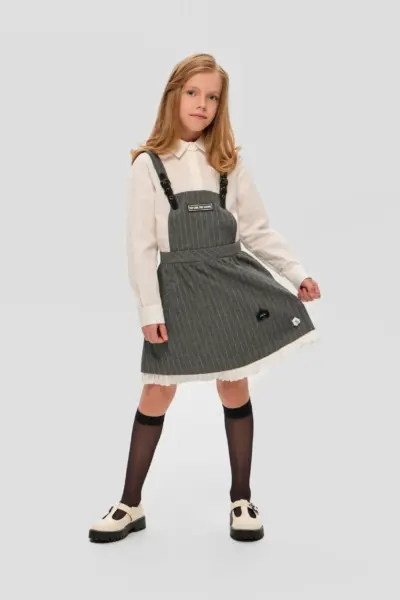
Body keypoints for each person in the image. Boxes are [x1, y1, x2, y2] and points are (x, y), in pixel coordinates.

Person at [88, 53, 321, 544]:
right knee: (157, 392)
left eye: (212, 97)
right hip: (177, 291)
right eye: (193, 93)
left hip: (229, 286)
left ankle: (242, 498)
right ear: (173, 95)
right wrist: (150, 310)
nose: (202, 104)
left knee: (234, 388)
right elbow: (140, 247)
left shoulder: (228, 163)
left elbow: (256, 230)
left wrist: (295, 272)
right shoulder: (148, 165)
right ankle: (130, 503)